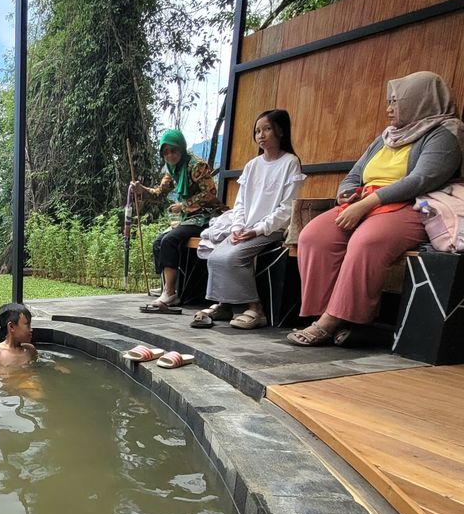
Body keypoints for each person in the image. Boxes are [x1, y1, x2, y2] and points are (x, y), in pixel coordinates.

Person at [289, 71, 464, 346]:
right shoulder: (386, 137)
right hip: (364, 203)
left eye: (396, 102)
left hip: (410, 205)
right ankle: (328, 313)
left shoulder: (445, 133)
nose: (389, 109)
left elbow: (421, 179)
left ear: (418, 101)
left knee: (367, 241)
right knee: (314, 236)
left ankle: (337, 320)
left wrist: (368, 204)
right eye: (390, 102)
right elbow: (355, 174)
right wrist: (346, 195)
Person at [192, 110, 305, 329]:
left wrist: (257, 230)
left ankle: (255, 309)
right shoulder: (252, 165)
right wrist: (237, 226)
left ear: (281, 131)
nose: (261, 135)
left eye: (267, 129)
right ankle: (225, 304)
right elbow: (241, 203)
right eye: (257, 131)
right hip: (246, 227)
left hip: (271, 230)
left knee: (233, 257)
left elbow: (288, 208)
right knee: (215, 256)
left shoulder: (290, 163)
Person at [130, 129, 225, 312]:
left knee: (170, 239)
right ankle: (167, 284)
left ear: (181, 148)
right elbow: (160, 192)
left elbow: (210, 194)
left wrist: (184, 205)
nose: (170, 155)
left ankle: (170, 292)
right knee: (158, 241)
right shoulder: (172, 169)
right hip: (188, 218)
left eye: (174, 151)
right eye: (165, 152)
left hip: (206, 217)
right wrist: (141, 189)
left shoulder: (196, 166)